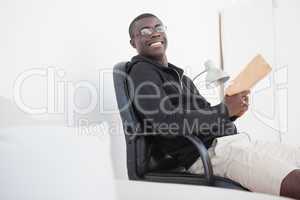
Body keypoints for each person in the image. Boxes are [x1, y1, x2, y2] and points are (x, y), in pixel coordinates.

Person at [126, 13, 300, 199]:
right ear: (133, 43)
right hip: (211, 153)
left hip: (234, 143)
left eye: (159, 28)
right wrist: (223, 111)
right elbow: (164, 122)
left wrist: (232, 113)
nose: (154, 33)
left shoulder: (181, 78)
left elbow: (206, 114)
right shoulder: (141, 71)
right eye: (145, 31)